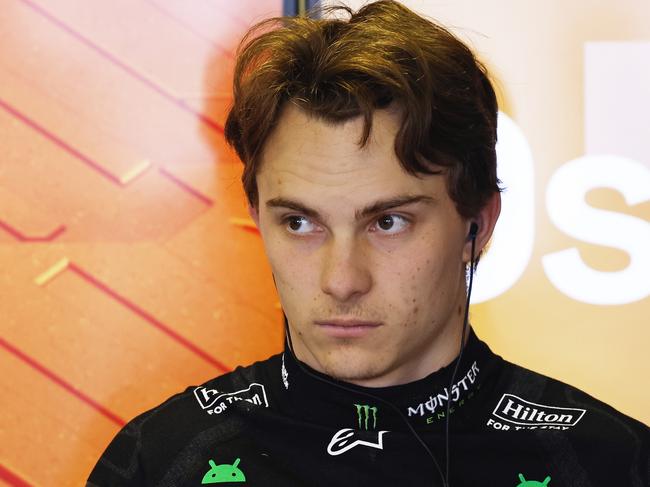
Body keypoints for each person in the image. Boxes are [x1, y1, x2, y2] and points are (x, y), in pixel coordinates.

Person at [87, 1, 649, 486]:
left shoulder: (610, 464)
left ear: (479, 223)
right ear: (258, 217)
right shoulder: (159, 461)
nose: (341, 280)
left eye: (388, 223)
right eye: (301, 224)